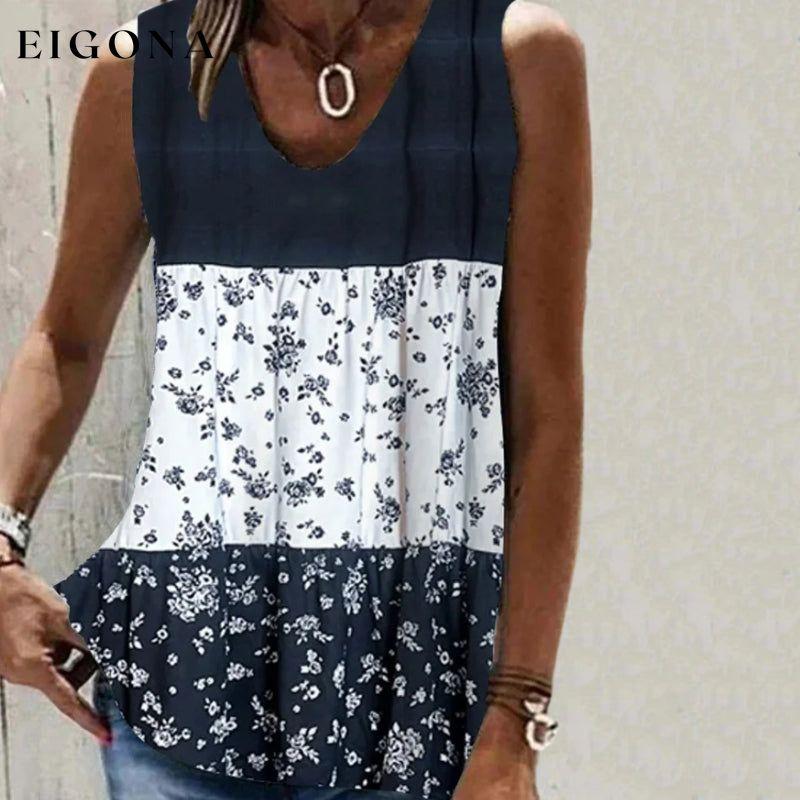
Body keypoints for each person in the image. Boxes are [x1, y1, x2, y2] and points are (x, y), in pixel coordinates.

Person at [0, 1, 591, 798]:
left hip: (422, 693)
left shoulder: (510, 57)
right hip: (182, 692)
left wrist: (517, 714)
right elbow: (64, 339)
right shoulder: (148, 68)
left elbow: (546, 411)